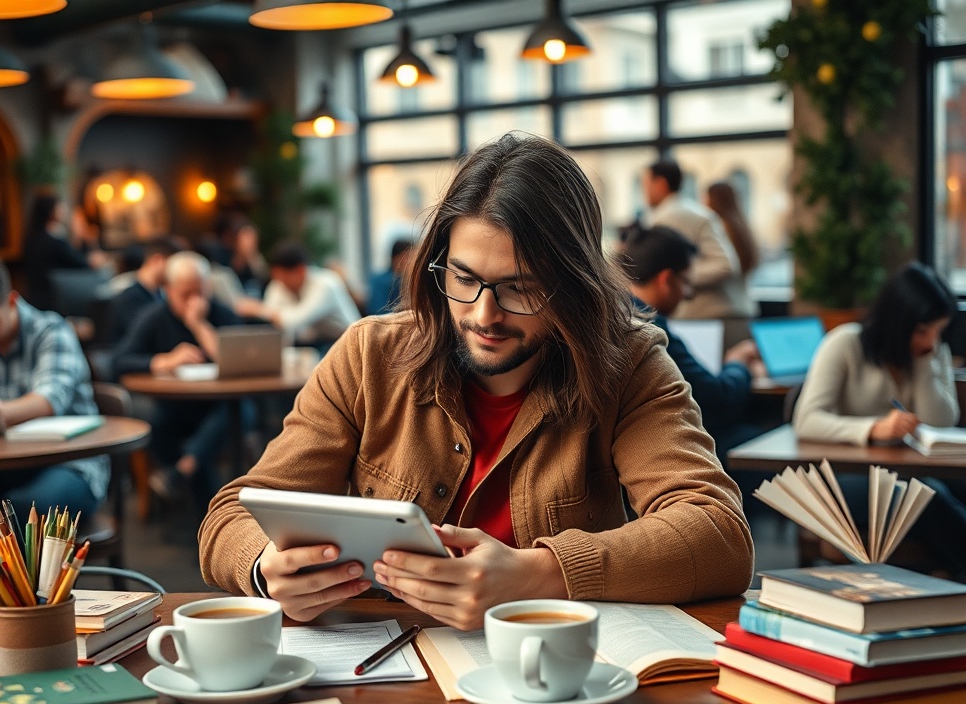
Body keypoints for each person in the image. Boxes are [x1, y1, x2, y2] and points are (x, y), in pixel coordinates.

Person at [199, 132, 754, 631]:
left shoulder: (629, 363)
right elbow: (229, 516)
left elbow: (719, 533)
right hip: (389, 667)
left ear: (573, 284)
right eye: (464, 279)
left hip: (550, 671)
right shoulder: (368, 355)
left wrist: (540, 573)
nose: (485, 315)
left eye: (520, 288)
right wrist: (265, 568)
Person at [792, 262, 966, 579]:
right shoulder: (844, 343)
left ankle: (947, 579)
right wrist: (874, 429)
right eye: (922, 330)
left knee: (941, 489)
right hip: (846, 474)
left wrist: (924, 364)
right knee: (927, 496)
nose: (931, 340)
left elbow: (942, 421)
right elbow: (806, 420)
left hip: (911, 469)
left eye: (938, 330)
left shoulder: (931, 352)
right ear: (896, 321)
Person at [0, 259, 109, 584]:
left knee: (16, 513)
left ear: (12, 301)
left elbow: (50, 399)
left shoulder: (52, 331)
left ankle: (13, 601)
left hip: (69, 464)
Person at [110, 251, 247, 524]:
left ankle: (181, 472)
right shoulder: (154, 317)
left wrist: (198, 325)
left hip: (221, 405)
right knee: (158, 424)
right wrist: (163, 361)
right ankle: (213, 516)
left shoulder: (222, 313)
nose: (195, 301)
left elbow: (238, 361)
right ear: (169, 291)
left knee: (236, 412)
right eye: (186, 294)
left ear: (209, 287)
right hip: (177, 406)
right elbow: (118, 362)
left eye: (200, 292)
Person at [620, 224, 766, 460]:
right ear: (666, 279)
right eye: (686, 282)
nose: (688, 294)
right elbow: (715, 402)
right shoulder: (650, 328)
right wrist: (738, 363)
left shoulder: (621, 313)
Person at [643, 161, 755, 320]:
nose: (644, 191)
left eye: (646, 184)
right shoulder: (694, 214)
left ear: (660, 183)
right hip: (729, 310)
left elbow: (725, 264)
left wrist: (679, 277)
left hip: (706, 314)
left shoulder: (668, 217)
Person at [237, 242, 361, 352]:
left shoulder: (326, 284)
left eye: (284, 278)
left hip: (347, 343)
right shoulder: (278, 285)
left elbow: (293, 321)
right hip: (313, 344)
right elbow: (277, 323)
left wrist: (258, 309)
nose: (280, 283)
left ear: (301, 270)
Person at [21, 191, 110, 314]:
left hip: (36, 295)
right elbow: (82, 263)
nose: (64, 210)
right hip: (55, 300)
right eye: (60, 206)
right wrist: (89, 241)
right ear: (52, 211)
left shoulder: (32, 239)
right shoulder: (53, 241)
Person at [106, 237, 179, 344]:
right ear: (157, 260)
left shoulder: (161, 294)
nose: (177, 272)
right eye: (174, 265)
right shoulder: (126, 296)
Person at [705, 181, 759, 277]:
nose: (704, 202)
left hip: (726, 283)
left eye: (706, 197)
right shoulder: (739, 225)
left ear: (714, 200)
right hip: (741, 283)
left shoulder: (719, 226)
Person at [365, 238, 414, 315]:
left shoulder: (410, 281)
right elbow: (379, 311)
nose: (412, 261)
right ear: (399, 258)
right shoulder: (382, 281)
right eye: (409, 257)